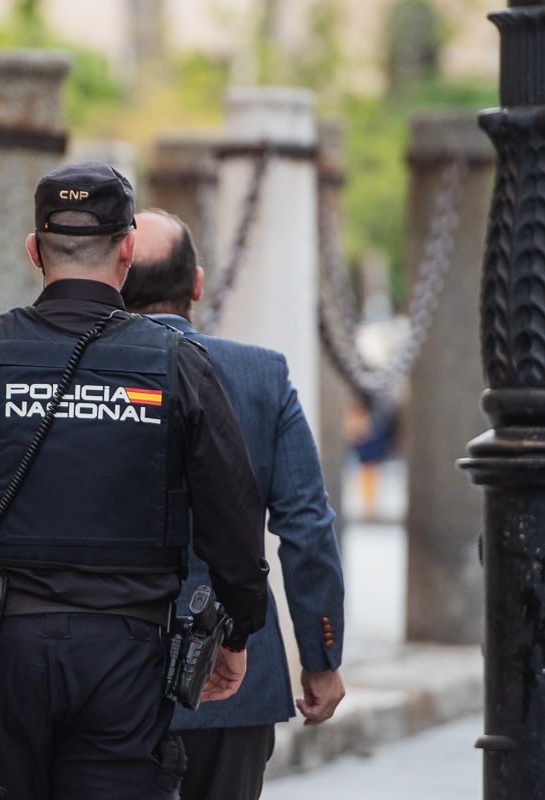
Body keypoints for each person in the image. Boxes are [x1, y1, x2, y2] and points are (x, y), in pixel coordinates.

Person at [0, 161, 271, 799]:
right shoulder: (179, 366)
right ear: (127, 249)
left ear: (34, 249)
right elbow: (234, 515)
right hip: (126, 651)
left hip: (1, 653)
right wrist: (238, 632)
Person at [122, 209, 347, 800]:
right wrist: (321, 655)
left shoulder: (81, 374)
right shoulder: (260, 375)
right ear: (196, 284)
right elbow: (306, 524)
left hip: (109, 663)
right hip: (233, 661)